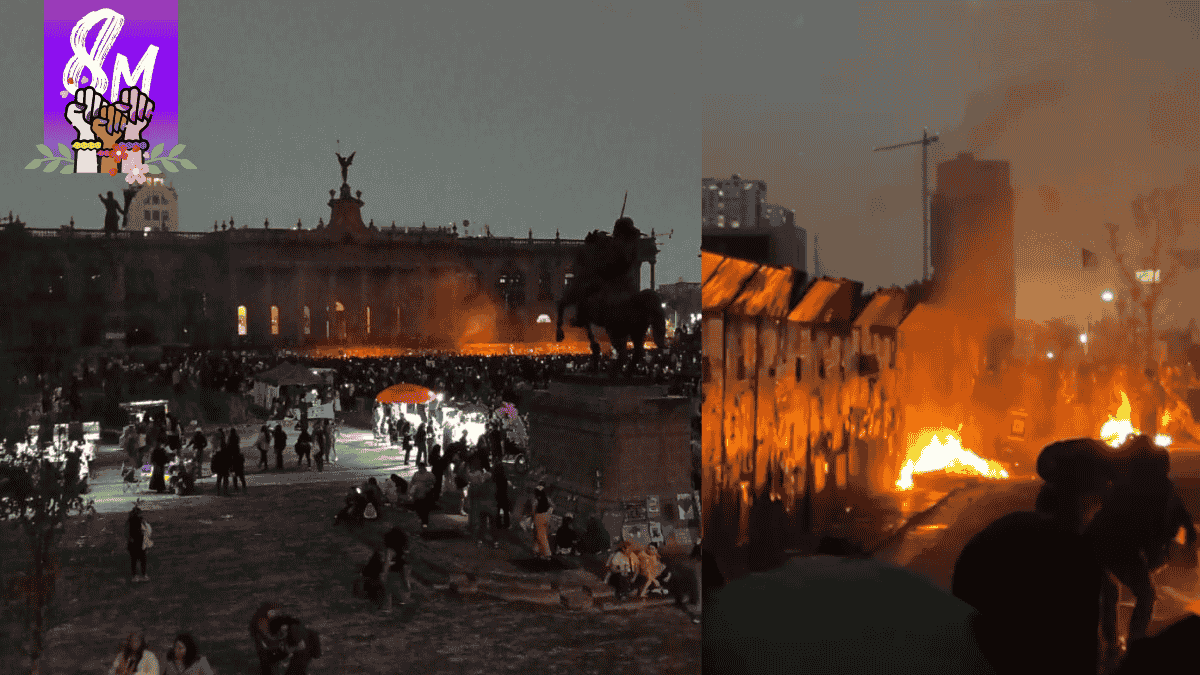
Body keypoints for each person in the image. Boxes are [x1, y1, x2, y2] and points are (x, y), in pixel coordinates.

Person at [952, 438, 1114, 675]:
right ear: (1084, 500)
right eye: (1098, 498)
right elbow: (1082, 648)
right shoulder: (1077, 557)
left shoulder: (1002, 533)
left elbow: (963, 588)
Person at [250, 602, 286, 675]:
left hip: (269, 645)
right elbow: (268, 636)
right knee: (267, 664)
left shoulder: (272, 619)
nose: (274, 614)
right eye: (272, 612)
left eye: (275, 612)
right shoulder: (261, 622)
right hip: (265, 645)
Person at [127, 503, 151, 582]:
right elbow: (146, 532)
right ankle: (143, 575)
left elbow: (127, 533)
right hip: (139, 542)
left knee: (134, 560)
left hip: (133, 543)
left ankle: (135, 576)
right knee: (142, 560)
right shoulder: (140, 521)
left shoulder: (130, 521)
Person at [409, 462, 435, 528]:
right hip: (417, 494)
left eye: (420, 467)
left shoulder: (429, 475)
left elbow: (433, 483)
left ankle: (425, 522)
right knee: (418, 508)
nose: (419, 469)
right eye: (419, 468)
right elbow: (412, 482)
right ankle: (421, 520)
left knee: (424, 509)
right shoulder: (416, 474)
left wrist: (428, 487)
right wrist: (410, 490)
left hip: (425, 494)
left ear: (424, 467)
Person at [533, 481, 553, 560]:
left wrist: (533, 519)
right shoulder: (546, 498)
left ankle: (547, 554)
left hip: (539, 517)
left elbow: (533, 510)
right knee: (541, 535)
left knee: (541, 536)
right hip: (546, 517)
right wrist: (549, 513)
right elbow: (553, 506)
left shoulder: (536, 500)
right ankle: (537, 551)